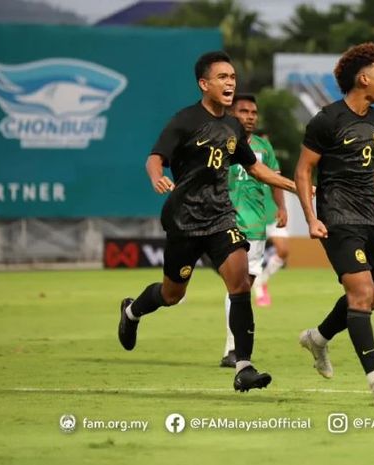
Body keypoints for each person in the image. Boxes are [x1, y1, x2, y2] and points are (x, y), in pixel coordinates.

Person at [117, 51, 297, 392]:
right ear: (204, 84)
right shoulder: (185, 120)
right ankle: (132, 312)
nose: (230, 82)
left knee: (241, 283)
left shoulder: (232, 126)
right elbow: (155, 158)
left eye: (232, 77)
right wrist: (157, 176)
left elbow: (255, 168)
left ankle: (243, 365)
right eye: (222, 77)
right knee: (171, 294)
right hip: (184, 220)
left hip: (220, 218)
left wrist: (300, 189)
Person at [294, 42, 374, 405]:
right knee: (361, 294)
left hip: (370, 219)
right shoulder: (327, 120)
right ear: (363, 79)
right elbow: (303, 171)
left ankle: (317, 338)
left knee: (369, 299)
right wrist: (312, 219)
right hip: (337, 217)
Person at [219, 93, 287, 367]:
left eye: (253, 112)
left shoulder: (263, 147)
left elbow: (275, 178)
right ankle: (232, 348)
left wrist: (281, 208)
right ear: (232, 114)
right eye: (244, 111)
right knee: (237, 284)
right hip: (226, 221)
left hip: (257, 225)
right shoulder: (221, 143)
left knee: (243, 285)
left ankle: (234, 348)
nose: (249, 116)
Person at [252, 178, 290, 307]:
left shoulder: (268, 159)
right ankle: (259, 293)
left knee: (283, 251)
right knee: (252, 259)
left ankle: (261, 280)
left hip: (271, 214)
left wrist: (282, 208)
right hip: (252, 215)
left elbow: (277, 184)